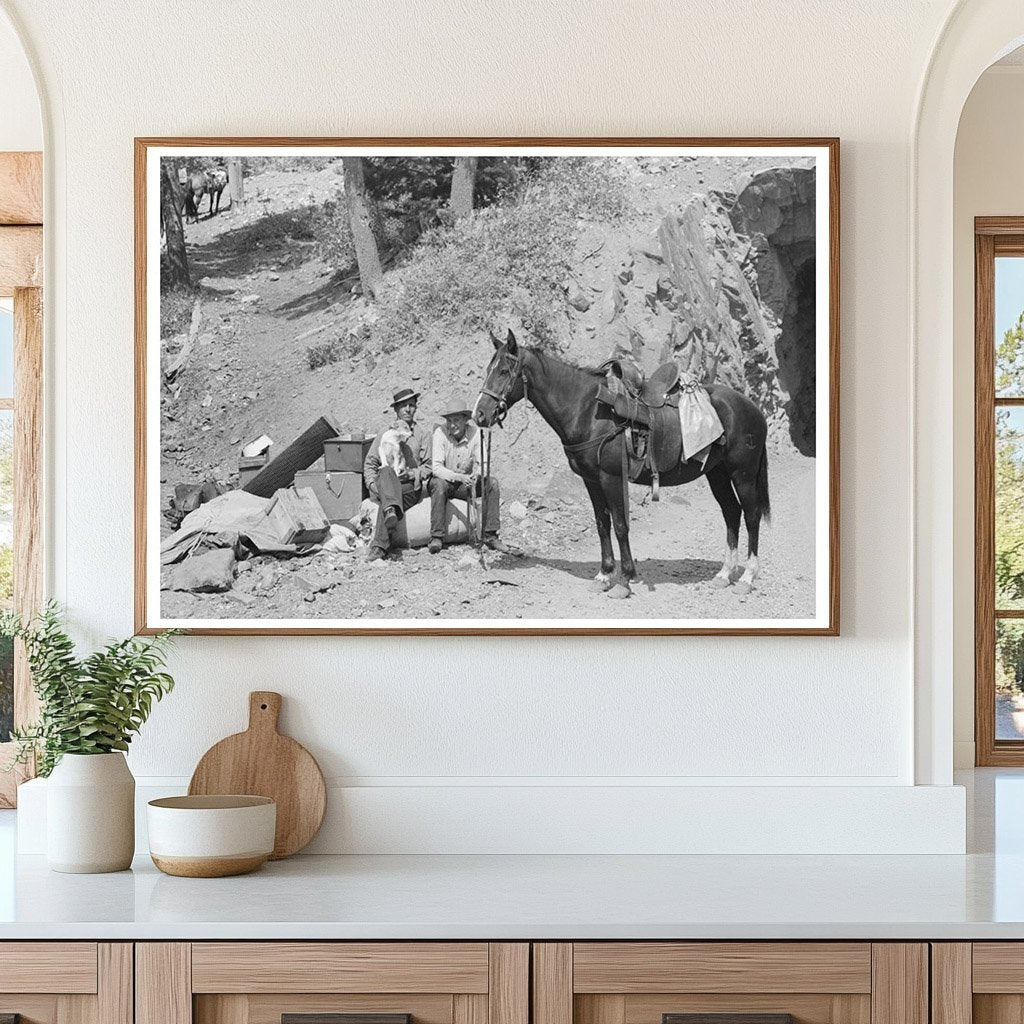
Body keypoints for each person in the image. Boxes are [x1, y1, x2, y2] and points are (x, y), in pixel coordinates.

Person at [428, 395, 506, 554]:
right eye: (449, 421)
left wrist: (477, 475)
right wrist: (458, 477)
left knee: (492, 484)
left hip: (466, 483)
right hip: (446, 482)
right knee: (438, 484)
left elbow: (483, 463)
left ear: (465, 420)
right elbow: (436, 468)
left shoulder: (475, 433)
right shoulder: (440, 433)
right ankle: (437, 536)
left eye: (456, 420)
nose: (452, 425)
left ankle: (491, 534)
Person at [364, 386, 432, 562]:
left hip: (408, 487)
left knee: (390, 499)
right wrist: (373, 485)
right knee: (385, 471)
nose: (408, 410)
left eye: (411, 405)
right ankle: (388, 515)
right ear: (395, 409)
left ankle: (379, 546)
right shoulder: (384, 434)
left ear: (416, 407)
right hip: (386, 483)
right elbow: (370, 463)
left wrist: (412, 474)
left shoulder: (422, 434)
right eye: (403, 406)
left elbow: (429, 467)